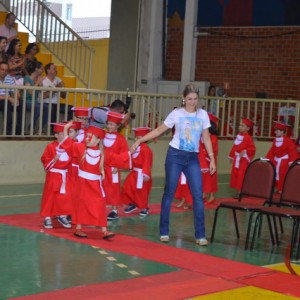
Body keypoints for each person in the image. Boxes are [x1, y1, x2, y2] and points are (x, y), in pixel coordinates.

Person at [130, 83, 216, 245]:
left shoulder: (203, 115)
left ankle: (200, 235)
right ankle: (164, 231)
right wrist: (140, 140)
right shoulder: (176, 114)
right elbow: (159, 130)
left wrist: (211, 157)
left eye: (195, 99)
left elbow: (206, 138)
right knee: (169, 192)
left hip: (193, 158)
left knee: (198, 195)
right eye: (189, 99)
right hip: (175, 156)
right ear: (183, 99)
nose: (192, 102)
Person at [61, 122, 115, 239]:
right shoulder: (81, 148)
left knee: (100, 204)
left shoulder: (103, 154)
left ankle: (104, 230)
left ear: (98, 140)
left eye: (91, 136)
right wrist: (65, 130)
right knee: (81, 205)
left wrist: (129, 153)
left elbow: (116, 159)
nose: (87, 138)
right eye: (87, 136)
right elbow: (69, 145)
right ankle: (78, 228)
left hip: (95, 184)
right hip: (82, 183)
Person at [40, 123, 73, 229]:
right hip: (54, 174)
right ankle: (47, 217)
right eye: (62, 134)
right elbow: (45, 160)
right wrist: (54, 159)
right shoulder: (50, 147)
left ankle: (62, 214)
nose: (65, 136)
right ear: (56, 135)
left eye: (66, 133)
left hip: (65, 174)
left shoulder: (70, 146)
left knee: (64, 196)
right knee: (50, 196)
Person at [103, 111, 129, 221]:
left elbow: (123, 154)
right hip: (102, 167)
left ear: (118, 126)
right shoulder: (102, 135)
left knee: (114, 188)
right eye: (108, 123)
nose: (109, 126)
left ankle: (114, 210)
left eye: (112, 124)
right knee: (102, 187)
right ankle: (101, 207)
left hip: (113, 168)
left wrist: (117, 166)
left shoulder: (121, 139)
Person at [123, 127, 153, 216]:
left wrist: (145, 174)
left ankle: (145, 208)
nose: (137, 139)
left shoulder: (146, 149)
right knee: (128, 187)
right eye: (136, 137)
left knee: (142, 192)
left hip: (142, 174)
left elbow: (147, 162)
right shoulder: (134, 147)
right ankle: (133, 203)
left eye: (140, 138)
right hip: (134, 173)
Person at [265, 121, 298, 193]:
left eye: (277, 130)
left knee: (282, 174)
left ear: (282, 132)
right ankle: (277, 187)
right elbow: (272, 151)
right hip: (277, 161)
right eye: (275, 130)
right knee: (275, 173)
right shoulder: (275, 140)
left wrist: (291, 160)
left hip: (284, 162)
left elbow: (292, 150)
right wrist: (268, 158)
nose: (275, 132)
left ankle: (282, 189)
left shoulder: (287, 141)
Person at [228, 117, 256, 199]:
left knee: (241, 175)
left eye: (242, 126)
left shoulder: (248, 138)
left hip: (243, 160)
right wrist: (231, 155)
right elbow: (235, 147)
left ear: (247, 128)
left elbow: (252, 149)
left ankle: (241, 192)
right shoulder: (239, 136)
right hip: (237, 159)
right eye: (240, 125)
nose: (240, 127)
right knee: (236, 175)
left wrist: (245, 152)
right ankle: (239, 191)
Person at [41, 63, 72, 130]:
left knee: (71, 109)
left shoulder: (58, 79)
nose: (56, 70)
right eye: (54, 69)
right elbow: (43, 96)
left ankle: (68, 128)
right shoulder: (43, 80)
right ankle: (54, 130)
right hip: (46, 103)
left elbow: (64, 96)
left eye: (56, 69)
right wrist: (56, 88)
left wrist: (63, 89)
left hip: (57, 103)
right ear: (48, 70)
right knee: (52, 109)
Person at [199, 113, 219, 203]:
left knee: (210, 179)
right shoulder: (203, 136)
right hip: (203, 160)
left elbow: (213, 149)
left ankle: (211, 196)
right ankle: (205, 194)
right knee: (205, 179)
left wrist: (207, 156)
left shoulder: (213, 137)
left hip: (209, 160)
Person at [23, 60, 44, 133]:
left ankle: (42, 128)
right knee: (38, 107)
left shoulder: (39, 79)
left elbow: (41, 92)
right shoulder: (27, 78)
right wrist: (38, 82)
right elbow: (30, 92)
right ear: (36, 69)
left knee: (47, 107)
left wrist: (41, 84)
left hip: (35, 101)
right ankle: (30, 127)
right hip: (27, 101)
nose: (42, 70)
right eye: (41, 68)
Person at [0, 61, 21, 135]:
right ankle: (8, 131)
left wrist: (16, 98)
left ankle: (19, 130)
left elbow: (17, 92)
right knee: (5, 103)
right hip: (3, 100)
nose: (4, 72)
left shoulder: (9, 78)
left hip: (7, 100)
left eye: (6, 70)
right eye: (2, 69)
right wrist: (9, 98)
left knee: (21, 104)